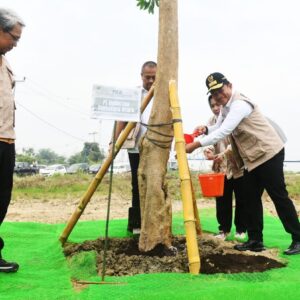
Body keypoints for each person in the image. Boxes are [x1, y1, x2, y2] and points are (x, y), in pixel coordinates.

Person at [186, 72, 300, 255]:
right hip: (252, 159)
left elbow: (225, 130)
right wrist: (206, 129)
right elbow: (218, 126)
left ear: (229, 85)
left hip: (269, 153)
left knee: (278, 196)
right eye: (213, 93)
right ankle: (255, 240)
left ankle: (298, 238)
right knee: (249, 198)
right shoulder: (225, 108)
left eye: (220, 90)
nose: (218, 96)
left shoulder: (239, 104)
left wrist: (195, 145)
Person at [109, 61, 157, 234]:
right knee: (137, 184)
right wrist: (114, 143)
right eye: (147, 77)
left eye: (154, 77)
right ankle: (137, 222)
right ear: (141, 76)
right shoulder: (134, 94)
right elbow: (120, 120)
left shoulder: (164, 94)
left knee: (156, 184)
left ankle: (154, 221)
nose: (151, 81)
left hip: (157, 149)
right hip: (136, 147)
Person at [0, 8, 25, 272]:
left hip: (6, 140)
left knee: (2, 198)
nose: (15, 44)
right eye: (13, 38)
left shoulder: (5, 63)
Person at [203, 95, 246, 240]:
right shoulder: (211, 122)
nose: (215, 108)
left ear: (223, 104)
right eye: (212, 106)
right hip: (220, 168)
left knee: (241, 199)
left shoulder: (233, 117)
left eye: (217, 105)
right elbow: (208, 141)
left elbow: (235, 143)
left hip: (237, 166)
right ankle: (223, 230)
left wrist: (224, 153)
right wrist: (208, 151)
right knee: (222, 200)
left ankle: (241, 229)